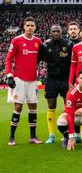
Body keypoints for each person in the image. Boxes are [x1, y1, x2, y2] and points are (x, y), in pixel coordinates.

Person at [6, 17, 43, 146]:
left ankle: (32, 137)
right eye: (28, 25)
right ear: (24, 26)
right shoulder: (17, 40)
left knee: (33, 107)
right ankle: (11, 137)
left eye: (32, 25)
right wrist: (9, 75)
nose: (30, 28)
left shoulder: (38, 41)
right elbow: (8, 59)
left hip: (33, 80)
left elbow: (41, 56)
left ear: (35, 27)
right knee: (18, 107)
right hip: (19, 79)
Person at [38, 24, 74, 144]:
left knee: (67, 106)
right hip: (52, 80)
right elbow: (37, 59)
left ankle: (67, 134)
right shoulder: (45, 45)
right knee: (51, 105)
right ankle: (51, 135)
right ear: (50, 32)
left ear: (61, 31)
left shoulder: (69, 45)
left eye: (57, 31)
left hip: (66, 79)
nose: (56, 33)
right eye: (53, 31)